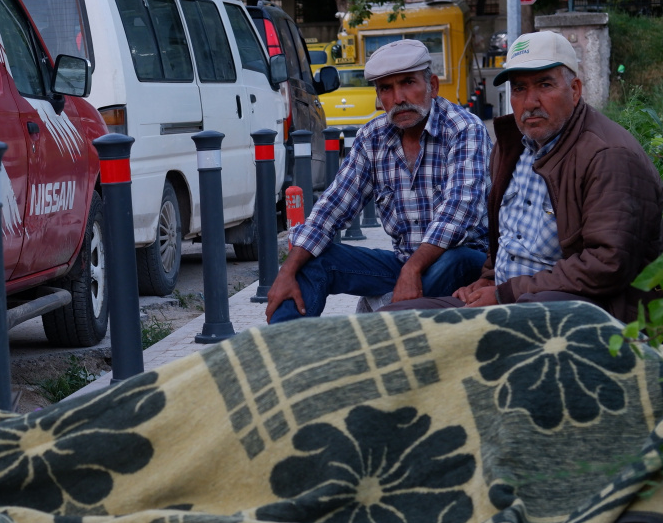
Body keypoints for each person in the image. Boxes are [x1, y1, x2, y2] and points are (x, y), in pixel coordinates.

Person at [383, 31, 663, 321]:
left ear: (575, 89)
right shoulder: (513, 146)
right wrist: (488, 280)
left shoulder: (608, 154)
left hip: (587, 311)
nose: (530, 102)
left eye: (544, 85)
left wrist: (506, 294)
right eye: (519, 89)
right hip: (512, 298)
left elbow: (608, 264)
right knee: (391, 320)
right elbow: (507, 238)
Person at [265, 39, 491, 322]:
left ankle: (387, 326)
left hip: (463, 261)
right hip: (403, 263)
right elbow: (332, 208)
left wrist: (413, 271)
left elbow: (459, 213)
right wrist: (286, 272)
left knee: (455, 259)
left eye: (408, 83)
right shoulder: (372, 137)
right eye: (386, 88)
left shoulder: (463, 128)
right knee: (312, 261)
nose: (398, 98)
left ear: (432, 85)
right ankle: (284, 350)